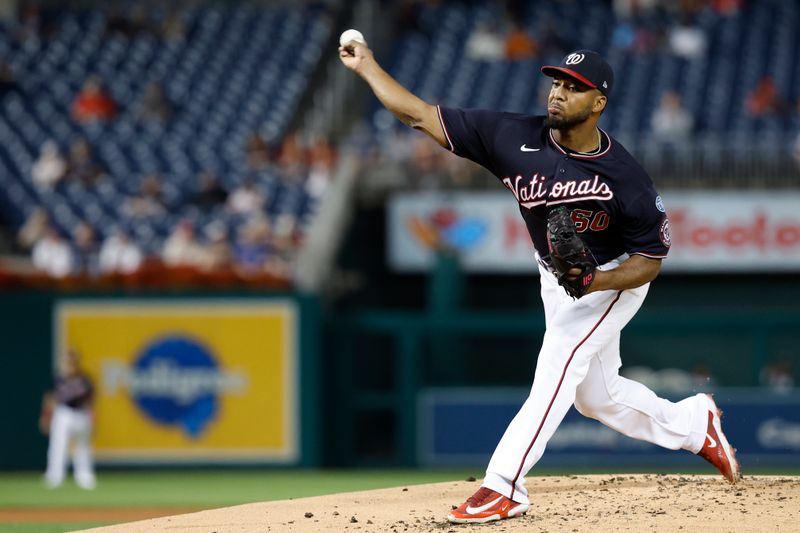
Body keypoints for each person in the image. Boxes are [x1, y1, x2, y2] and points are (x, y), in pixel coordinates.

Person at [340, 41, 741, 524]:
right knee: (597, 397)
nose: (558, 93)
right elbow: (420, 116)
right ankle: (695, 426)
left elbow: (652, 258)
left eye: (574, 88)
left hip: (613, 279)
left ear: (598, 103)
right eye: (556, 83)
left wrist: (599, 282)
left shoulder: (625, 176)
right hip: (557, 276)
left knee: (558, 360)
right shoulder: (510, 135)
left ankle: (504, 485)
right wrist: (367, 66)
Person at [40, 348, 96, 489]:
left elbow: (91, 399)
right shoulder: (58, 378)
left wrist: (93, 416)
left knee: (82, 446)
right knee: (58, 446)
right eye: (68, 360)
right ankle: (55, 476)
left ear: (77, 361)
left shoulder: (84, 379)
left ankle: (84, 476)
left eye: (73, 359)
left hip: (81, 413)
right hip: (63, 413)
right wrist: (46, 416)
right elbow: (49, 398)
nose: (71, 362)